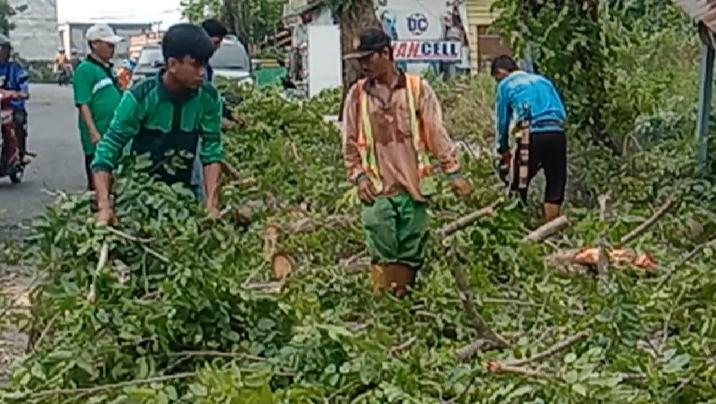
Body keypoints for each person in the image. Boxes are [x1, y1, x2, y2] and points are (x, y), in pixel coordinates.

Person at [341, 28, 472, 298]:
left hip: (415, 186)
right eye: (360, 60)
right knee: (381, 243)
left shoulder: (417, 89)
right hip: (376, 187)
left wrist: (453, 172)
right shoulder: (357, 95)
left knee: (411, 248)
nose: (363, 65)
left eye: (368, 58)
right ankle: (383, 304)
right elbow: (349, 141)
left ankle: (402, 302)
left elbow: (436, 133)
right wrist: (359, 176)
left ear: (386, 54)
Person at [91, 23, 224, 225]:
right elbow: (108, 149)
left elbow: (212, 151)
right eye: (196, 65)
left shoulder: (208, 98)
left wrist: (212, 205)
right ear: (172, 64)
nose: (202, 73)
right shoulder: (140, 96)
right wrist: (104, 206)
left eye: (205, 65)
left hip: (185, 193)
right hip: (139, 195)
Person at [491, 55, 567, 223]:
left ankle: (517, 227)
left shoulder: (506, 84)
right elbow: (562, 112)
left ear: (501, 72)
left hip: (531, 135)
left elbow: (502, 121)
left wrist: (503, 149)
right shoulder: (543, 81)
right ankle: (552, 231)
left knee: (517, 184)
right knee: (555, 187)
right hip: (556, 133)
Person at [72, 24, 124, 191]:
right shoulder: (85, 70)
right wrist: (93, 132)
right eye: (109, 45)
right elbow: (83, 103)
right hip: (99, 134)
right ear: (94, 44)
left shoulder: (107, 69)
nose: (113, 49)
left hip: (113, 132)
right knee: (98, 178)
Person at [0, 36, 30, 163]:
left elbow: (23, 82)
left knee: (18, 121)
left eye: (2, 49)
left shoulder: (15, 67)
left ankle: (21, 155)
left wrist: (22, 92)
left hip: (12, 106)